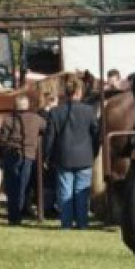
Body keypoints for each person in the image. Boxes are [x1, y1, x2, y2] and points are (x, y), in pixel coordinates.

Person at [43, 77, 99, 229]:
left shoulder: (55, 112)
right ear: (79, 92)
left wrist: (46, 156)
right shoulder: (89, 111)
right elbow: (96, 134)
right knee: (82, 192)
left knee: (65, 191)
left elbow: (49, 137)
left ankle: (66, 224)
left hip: (63, 157)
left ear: (65, 93)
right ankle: (82, 223)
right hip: (85, 157)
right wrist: (93, 152)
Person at [0, 95, 45, 225]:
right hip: (28, 155)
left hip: (12, 155)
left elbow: (2, 140)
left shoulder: (8, 120)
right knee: (23, 186)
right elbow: (47, 128)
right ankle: (22, 211)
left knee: (12, 187)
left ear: (15, 106)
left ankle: (13, 216)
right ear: (28, 105)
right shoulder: (36, 119)